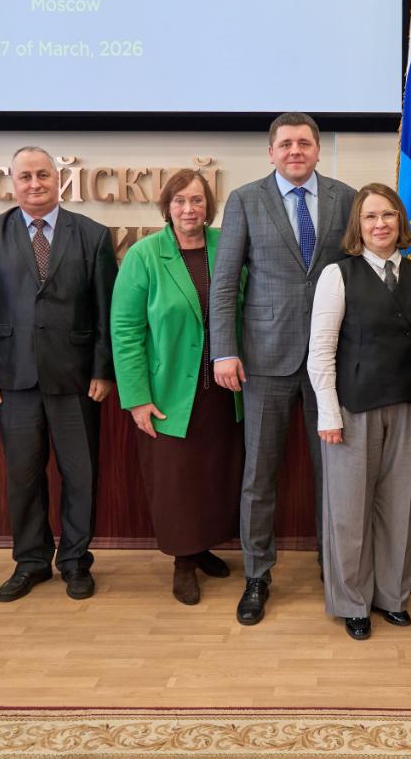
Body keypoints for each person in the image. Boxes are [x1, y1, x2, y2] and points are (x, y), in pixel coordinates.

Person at [209, 112, 357, 626]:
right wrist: (223, 350)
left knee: (332, 472)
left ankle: (336, 569)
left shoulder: (346, 198)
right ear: (271, 152)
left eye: (304, 143)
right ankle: (257, 574)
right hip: (264, 359)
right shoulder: (245, 199)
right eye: (286, 143)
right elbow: (225, 281)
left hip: (332, 360)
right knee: (259, 474)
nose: (296, 151)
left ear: (317, 150)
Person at [0, 146, 117, 602]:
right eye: (26, 176)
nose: (35, 184)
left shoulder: (92, 234)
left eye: (43, 175)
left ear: (58, 179)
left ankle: (75, 561)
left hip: (76, 379)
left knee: (80, 476)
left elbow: (106, 311)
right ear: (13, 183)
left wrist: (103, 370)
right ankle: (31, 562)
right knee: (23, 476)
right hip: (13, 378)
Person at [110, 169, 243, 605]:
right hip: (169, 393)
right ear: (167, 207)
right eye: (180, 200)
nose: (189, 209)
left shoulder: (228, 245)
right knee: (176, 481)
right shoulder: (145, 255)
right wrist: (137, 399)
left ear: (209, 206)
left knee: (214, 477)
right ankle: (183, 562)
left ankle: (201, 548)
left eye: (198, 200)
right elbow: (125, 331)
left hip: (224, 393)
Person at [307, 183, 411, 640]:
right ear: (357, 226)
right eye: (370, 217)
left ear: (401, 221)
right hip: (352, 408)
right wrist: (328, 413)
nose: (381, 224)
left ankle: (392, 596)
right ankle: (352, 602)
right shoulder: (338, 274)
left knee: (398, 507)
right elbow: (321, 350)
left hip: (406, 406)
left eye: (389, 215)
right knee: (349, 510)